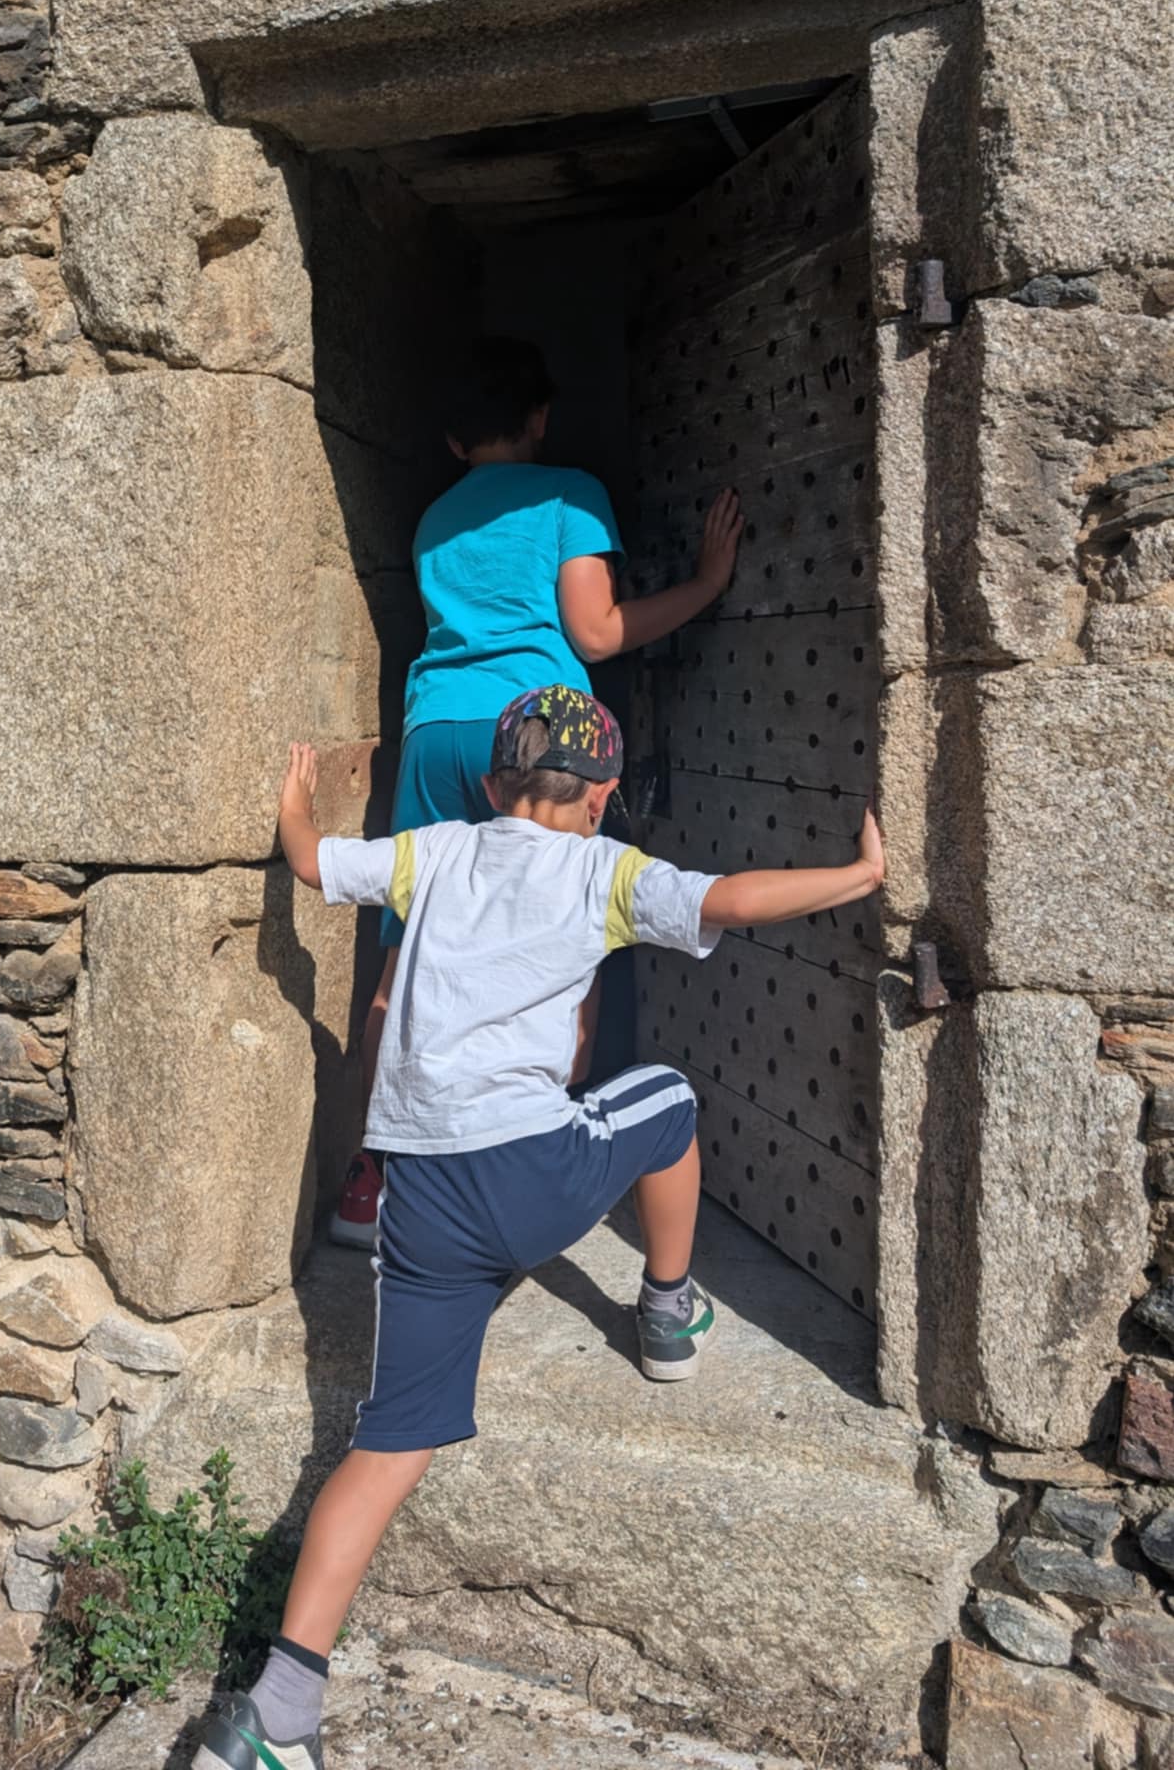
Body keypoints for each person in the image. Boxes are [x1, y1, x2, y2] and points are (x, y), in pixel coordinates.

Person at [195, 685, 885, 1770]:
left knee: (389, 1444)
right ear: (605, 796)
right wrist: (857, 874)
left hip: (419, 1196)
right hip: (535, 1174)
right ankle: (665, 1308)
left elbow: (318, 866)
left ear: (489, 782)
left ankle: (279, 1708)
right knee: (664, 1098)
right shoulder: (606, 870)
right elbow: (733, 899)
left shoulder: (435, 852)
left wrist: (295, 802)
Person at [330, 336, 744, 1248]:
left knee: (405, 957)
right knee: (568, 931)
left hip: (437, 729)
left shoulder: (436, 518)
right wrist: (708, 585)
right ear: (541, 418)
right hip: (537, 729)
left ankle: (372, 1181)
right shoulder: (570, 496)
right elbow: (595, 634)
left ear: (450, 441)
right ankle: (529, 1165)